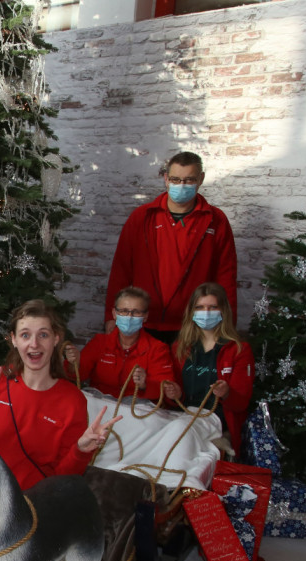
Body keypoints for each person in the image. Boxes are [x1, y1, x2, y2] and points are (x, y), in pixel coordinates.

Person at [0, 300, 120, 491]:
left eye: (43, 335)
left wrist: (81, 450)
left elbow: (64, 478)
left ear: (56, 339)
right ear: (14, 339)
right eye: (25, 335)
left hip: (31, 504)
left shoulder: (72, 401)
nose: (34, 344)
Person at [106, 151, 237, 344]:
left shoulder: (216, 221)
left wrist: (228, 322)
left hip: (193, 324)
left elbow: (226, 276)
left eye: (189, 180)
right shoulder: (142, 217)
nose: (181, 185)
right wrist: (111, 316)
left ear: (200, 179)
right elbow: (121, 269)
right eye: (175, 179)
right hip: (143, 321)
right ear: (166, 179)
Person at [162, 282, 255, 454]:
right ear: (192, 312)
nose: (206, 313)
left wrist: (226, 392)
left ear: (223, 311)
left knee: (179, 432)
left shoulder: (238, 350)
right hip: (183, 414)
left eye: (212, 307)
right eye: (200, 307)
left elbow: (241, 402)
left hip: (216, 419)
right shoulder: (180, 347)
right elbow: (174, 397)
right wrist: (174, 394)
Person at [65, 286, 177, 401]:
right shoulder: (100, 342)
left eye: (136, 312)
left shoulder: (158, 348)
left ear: (145, 316)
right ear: (114, 313)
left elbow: (166, 389)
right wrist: (74, 364)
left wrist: (145, 384)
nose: (129, 316)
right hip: (99, 401)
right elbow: (77, 376)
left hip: (137, 408)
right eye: (123, 311)